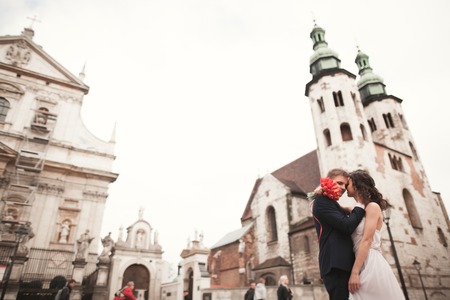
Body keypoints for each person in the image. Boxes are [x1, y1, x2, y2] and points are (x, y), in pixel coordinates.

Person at [346, 170, 405, 300]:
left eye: (347, 184)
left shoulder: (373, 207)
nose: (345, 187)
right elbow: (349, 210)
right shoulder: (359, 210)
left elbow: (367, 240)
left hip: (370, 262)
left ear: (357, 185)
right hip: (359, 260)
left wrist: (355, 272)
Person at [311, 168, 365, 300]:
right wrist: (360, 207)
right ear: (328, 181)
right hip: (336, 264)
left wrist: (345, 210)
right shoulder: (322, 201)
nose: (343, 188)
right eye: (340, 183)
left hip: (341, 263)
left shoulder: (330, 202)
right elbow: (346, 226)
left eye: (346, 185)